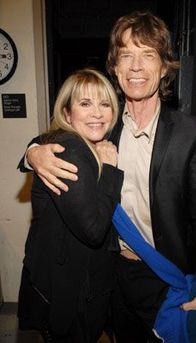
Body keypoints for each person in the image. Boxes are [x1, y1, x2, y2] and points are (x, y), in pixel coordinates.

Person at [19, 11, 196, 343]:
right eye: (126, 55)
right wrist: (33, 152)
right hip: (110, 273)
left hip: (163, 275)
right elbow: (59, 132)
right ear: (115, 68)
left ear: (164, 68)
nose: (136, 66)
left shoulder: (191, 134)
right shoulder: (102, 122)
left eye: (148, 55)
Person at [17, 68, 124, 343]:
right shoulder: (72, 150)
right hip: (70, 290)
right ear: (67, 113)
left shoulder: (81, 143)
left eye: (105, 104)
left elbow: (41, 140)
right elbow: (93, 229)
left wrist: (31, 151)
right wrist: (111, 170)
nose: (98, 113)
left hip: (64, 282)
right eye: (85, 104)